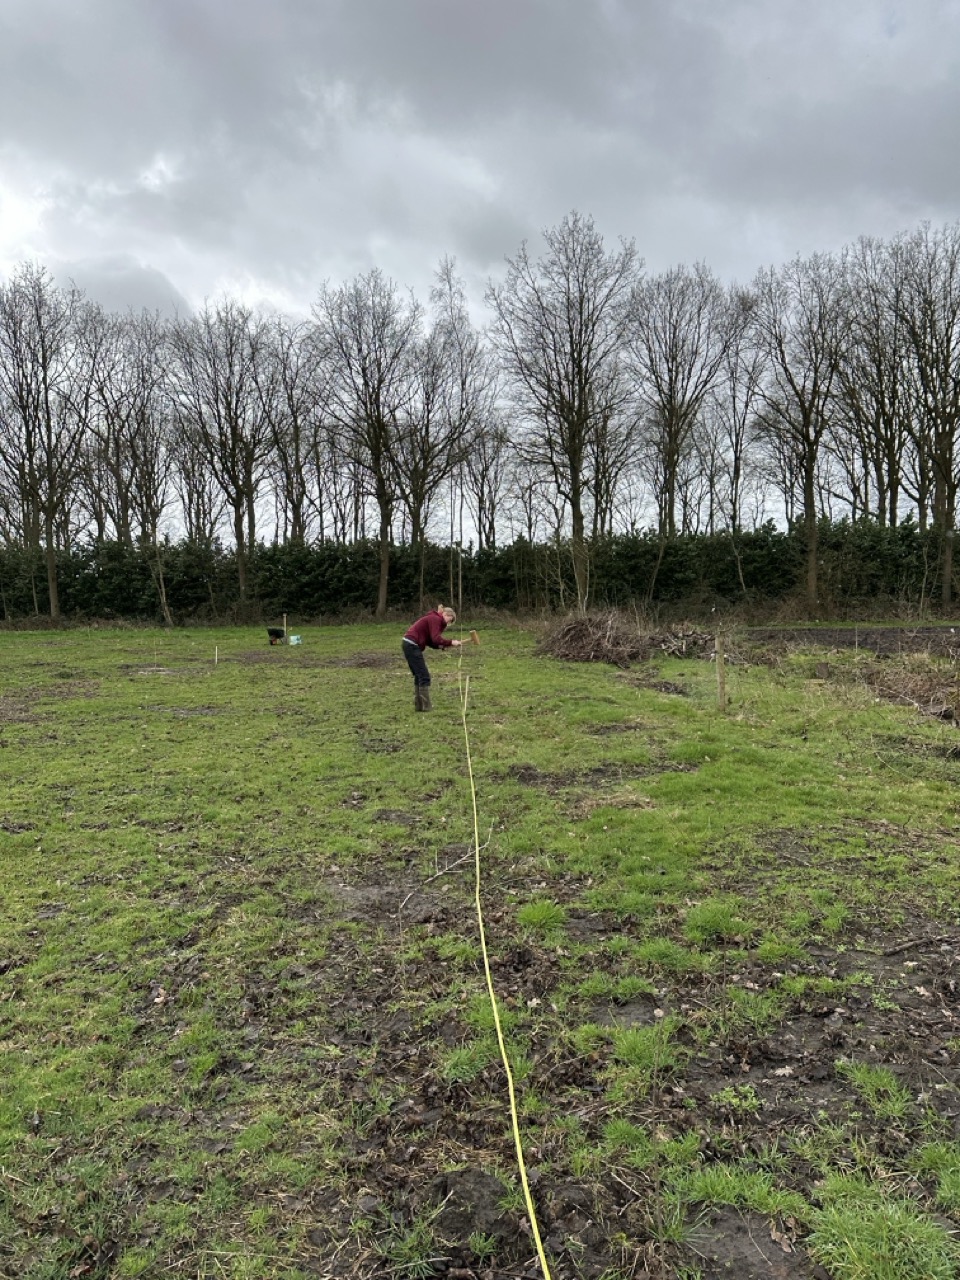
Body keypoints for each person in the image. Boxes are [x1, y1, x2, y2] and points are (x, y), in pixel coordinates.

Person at [402, 604, 462, 711]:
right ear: (445, 614)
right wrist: (451, 642)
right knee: (424, 676)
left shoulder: (434, 618)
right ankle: (426, 707)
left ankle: (419, 706)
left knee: (419, 675)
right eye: (450, 619)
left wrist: (444, 645)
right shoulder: (436, 619)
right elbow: (435, 639)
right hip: (411, 645)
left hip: (409, 644)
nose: (448, 623)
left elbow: (431, 641)